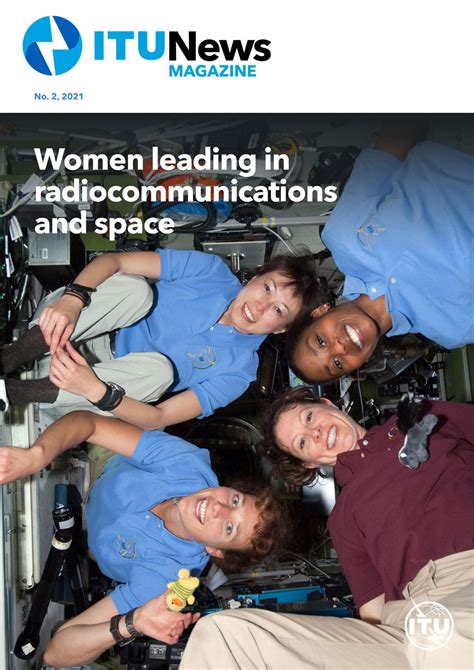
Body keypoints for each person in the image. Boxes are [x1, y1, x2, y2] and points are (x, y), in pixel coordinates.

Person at [204, 387, 474, 669]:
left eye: (309, 417)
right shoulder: (342, 519)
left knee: (438, 640)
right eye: (302, 442)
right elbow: (373, 613)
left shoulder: (417, 417)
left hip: (458, 583)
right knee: (222, 638)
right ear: (309, 463)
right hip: (410, 618)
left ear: (327, 403)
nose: (315, 433)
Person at [0, 410, 286, 666]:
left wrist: (132, 623)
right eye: (235, 500)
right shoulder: (186, 463)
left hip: (82, 539)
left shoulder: (165, 582)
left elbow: (56, 652)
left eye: (229, 528)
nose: (218, 508)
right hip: (98, 469)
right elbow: (89, 424)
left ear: (215, 550)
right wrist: (35, 456)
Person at [1, 248, 325, 428]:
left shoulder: (239, 373)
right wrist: (73, 300)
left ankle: (10, 392)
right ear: (256, 275)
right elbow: (113, 261)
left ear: (281, 329)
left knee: (162, 373)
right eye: (267, 288)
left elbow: (160, 418)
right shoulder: (210, 271)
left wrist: (96, 390)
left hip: (94, 385)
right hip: (72, 320)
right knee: (137, 290)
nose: (261, 306)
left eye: (278, 310)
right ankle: (8, 356)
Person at [286, 131, 474, 384]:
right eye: (337, 364)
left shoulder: (342, 236)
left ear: (319, 312)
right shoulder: (454, 328)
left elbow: (392, 145)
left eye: (320, 341)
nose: (339, 348)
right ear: (360, 365)